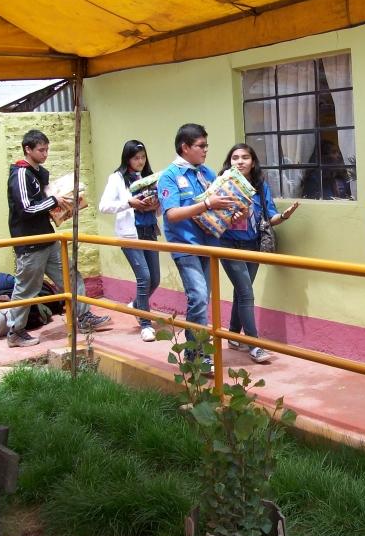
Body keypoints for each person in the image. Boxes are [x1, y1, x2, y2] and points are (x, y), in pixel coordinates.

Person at [6, 129, 110, 347]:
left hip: (48, 239)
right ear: (28, 150)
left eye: (47, 149)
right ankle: (15, 332)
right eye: (40, 150)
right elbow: (27, 208)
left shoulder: (37, 173)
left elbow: (42, 206)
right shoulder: (21, 175)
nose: (45, 154)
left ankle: (83, 317)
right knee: (26, 289)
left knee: (71, 276)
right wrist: (54, 200)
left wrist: (63, 207)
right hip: (30, 243)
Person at [157, 123, 237, 373]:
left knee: (203, 300)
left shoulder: (207, 173)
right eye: (201, 146)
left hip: (209, 246)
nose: (205, 151)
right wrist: (207, 204)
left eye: (206, 146)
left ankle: (194, 353)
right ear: (185, 147)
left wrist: (232, 211)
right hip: (186, 246)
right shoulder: (169, 176)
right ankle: (198, 355)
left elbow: (217, 205)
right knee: (199, 298)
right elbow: (171, 214)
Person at [219, 143, 299, 363]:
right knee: (246, 293)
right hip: (227, 244)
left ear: (253, 162)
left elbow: (269, 216)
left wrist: (283, 217)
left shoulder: (260, 186)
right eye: (235, 157)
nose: (240, 161)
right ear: (230, 162)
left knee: (241, 290)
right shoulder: (223, 183)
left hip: (252, 244)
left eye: (245, 157)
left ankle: (233, 334)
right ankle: (254, 344)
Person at [99, 140, 162, 342]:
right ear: (127, 159)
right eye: (136, 158)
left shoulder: (149, 177)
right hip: (129, 234)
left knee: (155, 279)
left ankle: (137, 304)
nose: (140, 161)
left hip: (149, 231)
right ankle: (145, 323)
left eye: (143, 157)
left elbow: (160, 209)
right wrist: (129, 203)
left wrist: (155, 205)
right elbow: (104, 206)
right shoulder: (117, 178)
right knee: (144, 277)